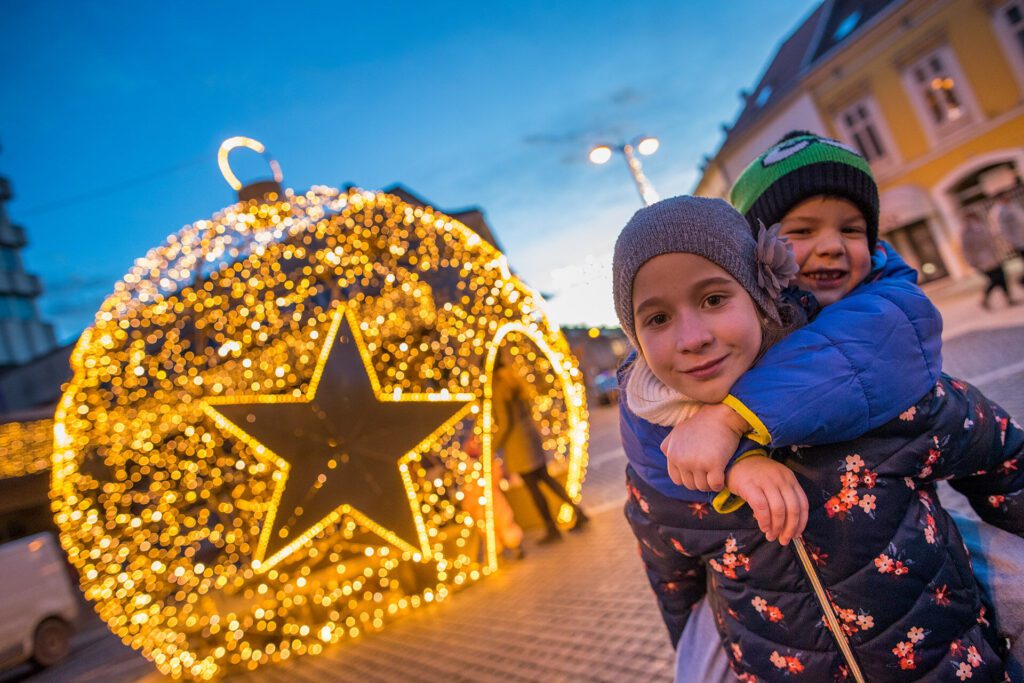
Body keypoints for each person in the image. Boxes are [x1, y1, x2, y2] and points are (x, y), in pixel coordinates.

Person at [614, 195, 1024, 680]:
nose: (691, 337)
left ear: (761, 296)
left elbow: (999, 451)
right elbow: (677, 592)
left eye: (714, 299)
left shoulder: (869, 401)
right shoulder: (657, 475)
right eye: (657, 318)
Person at [491, 348, 588, 544]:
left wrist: (491, 446)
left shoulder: (498, 386)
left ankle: (551, 527)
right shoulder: (513, 378)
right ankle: (577, 511)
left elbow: (504, 421)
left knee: (533, 488)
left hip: (518, 444)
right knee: (545, 478)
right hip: (530, 436)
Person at [961, 208, 1018, 309]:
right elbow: (966, 249)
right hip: (982, 261)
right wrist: (972, 262)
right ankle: (985, 299)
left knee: (1003, 278)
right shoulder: (966, 232)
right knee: (995, 280)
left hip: (994, 257)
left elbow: (992, 240)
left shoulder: (982, 226)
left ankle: (1008, 298)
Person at [992, 192, 1024, 284]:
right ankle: (1021, 281)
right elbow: (1003, 230)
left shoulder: (1013, 206)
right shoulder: (998, 212)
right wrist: (1011, 242)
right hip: (1018, 240)